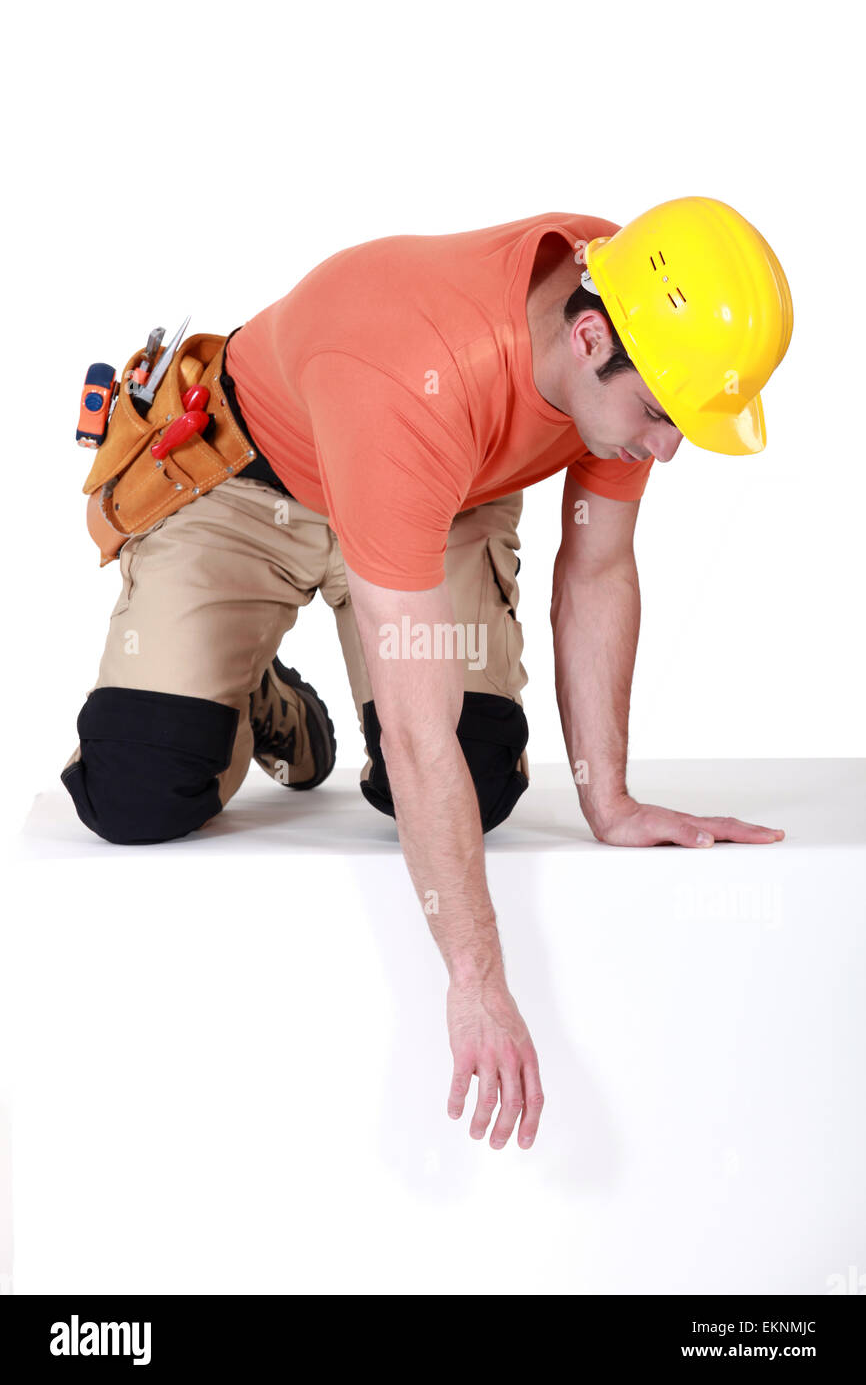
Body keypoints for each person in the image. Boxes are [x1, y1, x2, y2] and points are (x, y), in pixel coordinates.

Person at [62, 197, 793, 1152]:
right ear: (584, 339)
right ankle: (257, 693)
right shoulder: (412, 370)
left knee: (477, 779)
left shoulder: (636, 302)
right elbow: (415, 733)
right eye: (661, 418)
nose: (667, 448)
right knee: (134, 792)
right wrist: (477, 983)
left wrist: (608, 801)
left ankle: (307, 662)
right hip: (253, 487)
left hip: (440, 497)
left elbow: (598, 562)